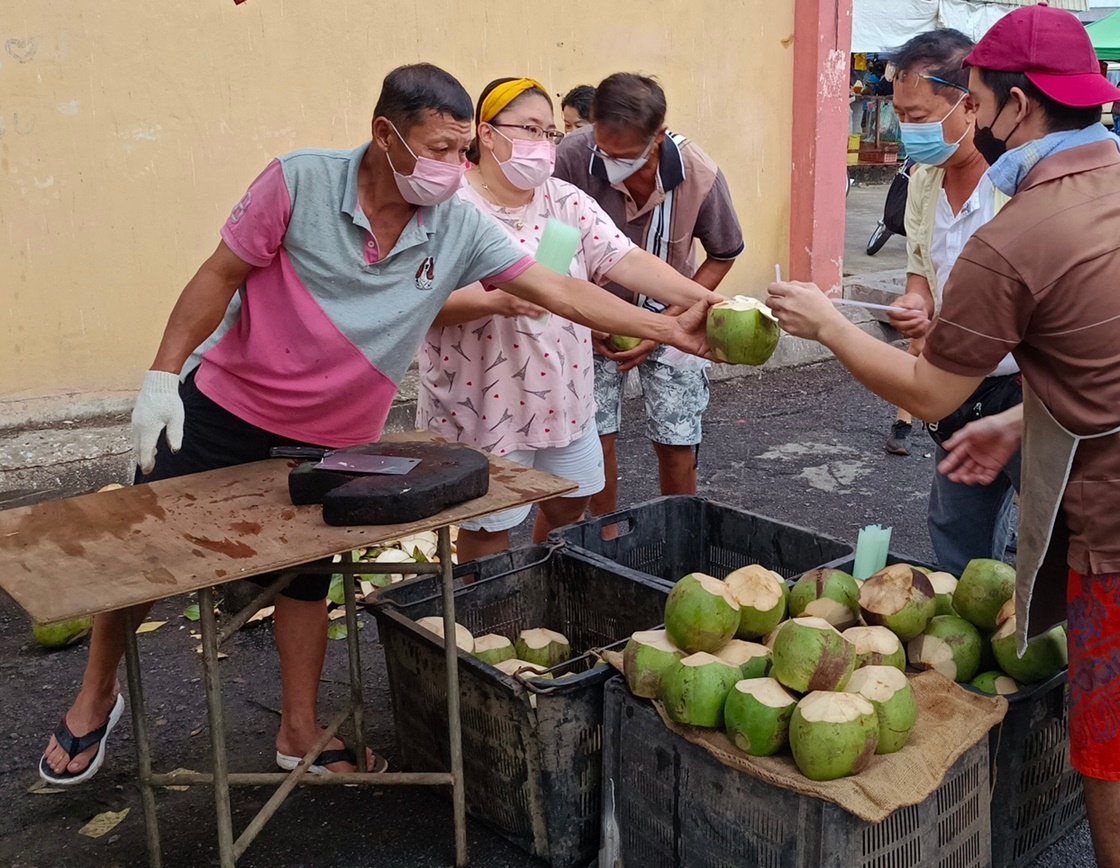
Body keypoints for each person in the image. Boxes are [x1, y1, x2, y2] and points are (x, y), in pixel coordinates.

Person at [39, 63, 709, 786]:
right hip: (227, 403)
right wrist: (163, 374)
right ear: (385, 134)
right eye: (442, 149)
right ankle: (95, 694)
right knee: (145, 545)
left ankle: (298, 731)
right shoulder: (298, 182)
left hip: (333, 432)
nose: (455, 167)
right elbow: (219, 274)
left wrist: (672, 328)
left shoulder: (456, 223)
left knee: (305, 576)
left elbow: (562, 291)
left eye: (462, 151)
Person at [764, 8, 1120, 868]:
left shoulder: (1011, 237)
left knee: (1115, 735)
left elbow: (933, 388)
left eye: (974, 101)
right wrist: (1021, 418)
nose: (970, 119)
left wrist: (829, 326)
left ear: (1016, 105)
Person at [420, 77, 723, 562]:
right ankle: (488, 617)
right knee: (488, 524)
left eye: (549, 133)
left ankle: (541, 572)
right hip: (483, 402)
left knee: (571, 500)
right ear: (488, 133)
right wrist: (497, 301)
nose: (543, 145)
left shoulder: (565, 201)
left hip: (564, 392)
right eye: (530, 130)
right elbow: (426, 299)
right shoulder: (449, 206)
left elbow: (626, 260)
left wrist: (701, 301)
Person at [554, 73, 744, 517]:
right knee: (595, 441)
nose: (610, 162)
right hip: (592, 319)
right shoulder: (572, 156)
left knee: (677, 442)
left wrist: (672, 324)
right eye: (603, 150)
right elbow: (555, 244)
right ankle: (604, 541)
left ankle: (680, 536)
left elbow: (724, 253)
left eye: (626, 157)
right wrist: (587, 318)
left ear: (658, 137)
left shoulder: (699, 174)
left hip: (675, 317)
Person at [879, 28, 1021, 570]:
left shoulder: (1019, 181)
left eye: (917, 116)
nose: (905, 130)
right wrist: (916, 304)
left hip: (1025, 386)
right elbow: (922, 270)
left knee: (1049, 535)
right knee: (958, 532)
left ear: (970, 105)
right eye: (900, 115)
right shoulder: (923, 179)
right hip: (956, 388)